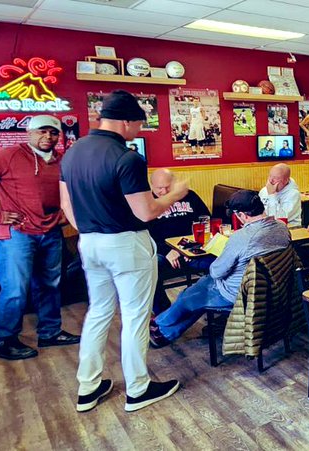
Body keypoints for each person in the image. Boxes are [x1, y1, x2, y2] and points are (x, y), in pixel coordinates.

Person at [60, 90, 186, 413]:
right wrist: (175, 194)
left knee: (99, 311)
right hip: (125, 244)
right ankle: (138, 389)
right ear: (126, 121)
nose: (140, 130)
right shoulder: (127, 158)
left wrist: (90, 228)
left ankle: (88, 387)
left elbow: (66, 204)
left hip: (89, 242)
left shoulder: (72, 153)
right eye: (139, 124)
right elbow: (146, 212)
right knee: (135, 316)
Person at [0, 114, 81, 360]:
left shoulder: (63, 160)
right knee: (15, 289)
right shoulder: (9, 155)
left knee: (50, 285)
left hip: (51, 232)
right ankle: (5, 341)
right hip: (16, 234)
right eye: (42, 131)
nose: (48, 136)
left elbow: (74, 192)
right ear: (29, 133)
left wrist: (65, 216)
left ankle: (50, 332)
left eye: (54, 132)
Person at [149, 191, 291, 347]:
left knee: (189, 296)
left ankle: (159, 325)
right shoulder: (282, 228)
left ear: (242, 215)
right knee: (196, 294)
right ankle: (164, 332)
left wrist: (222, 254)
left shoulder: (241, 237)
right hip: (272, 287)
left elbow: (217, 272)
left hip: (237, 293)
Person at [147, 169, 212, 314]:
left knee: (222, 263)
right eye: (159, 188)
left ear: (174, 183)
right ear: (151, 186)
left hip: (193, 249)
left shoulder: (189, 196)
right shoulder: (147, 204)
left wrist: (185, 248)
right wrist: (167, 250)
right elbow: (146, 237)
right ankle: (164, 314)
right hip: (164, 252)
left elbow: (206, 221)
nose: (164, 191)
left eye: (168, 187)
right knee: (149, 268)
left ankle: (212, 305)